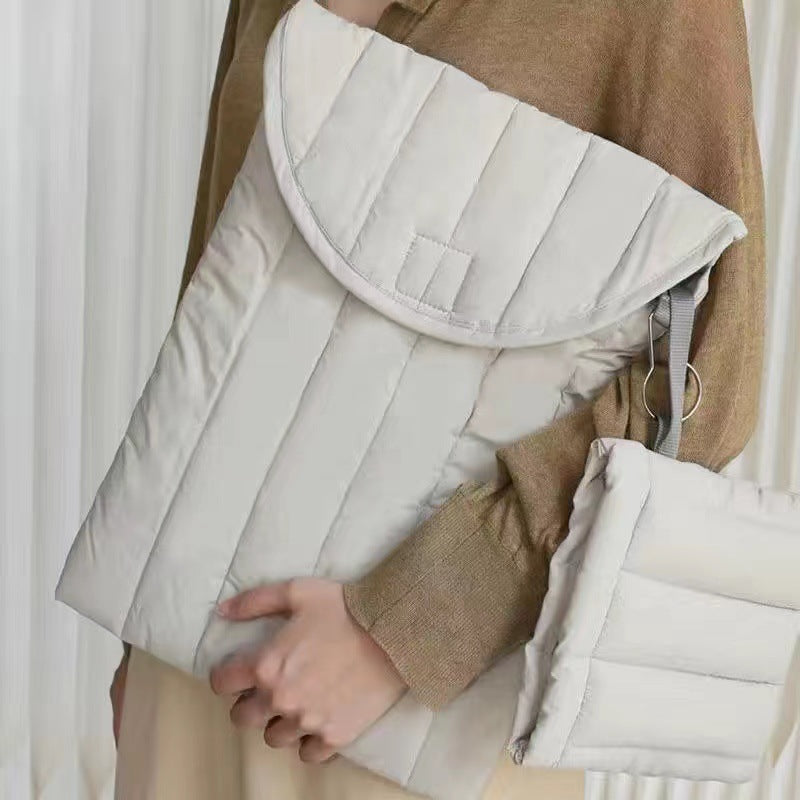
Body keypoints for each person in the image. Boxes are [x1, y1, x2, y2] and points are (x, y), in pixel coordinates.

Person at [111, 0, 765, 797]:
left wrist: (410, 625)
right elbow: (219, 284)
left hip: (431, 711)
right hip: (190, 660)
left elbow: (708, 381)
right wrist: (134, 613)